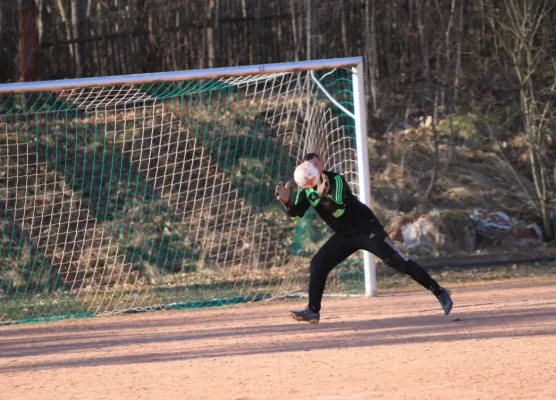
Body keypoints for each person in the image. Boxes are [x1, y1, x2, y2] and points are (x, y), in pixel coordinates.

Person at [275, 153, 453, 324]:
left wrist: (324, 196)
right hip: (344, 235)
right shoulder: (306, 189)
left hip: (367, 229)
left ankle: (439, 292)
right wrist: (286, 202)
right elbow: (296, 216)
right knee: (318, 264)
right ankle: (313, 311)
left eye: (316, 164)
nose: (314, 169)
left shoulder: (335, 180)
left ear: (322, 165)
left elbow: (339, 210)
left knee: (398, 262)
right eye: (309, 166)